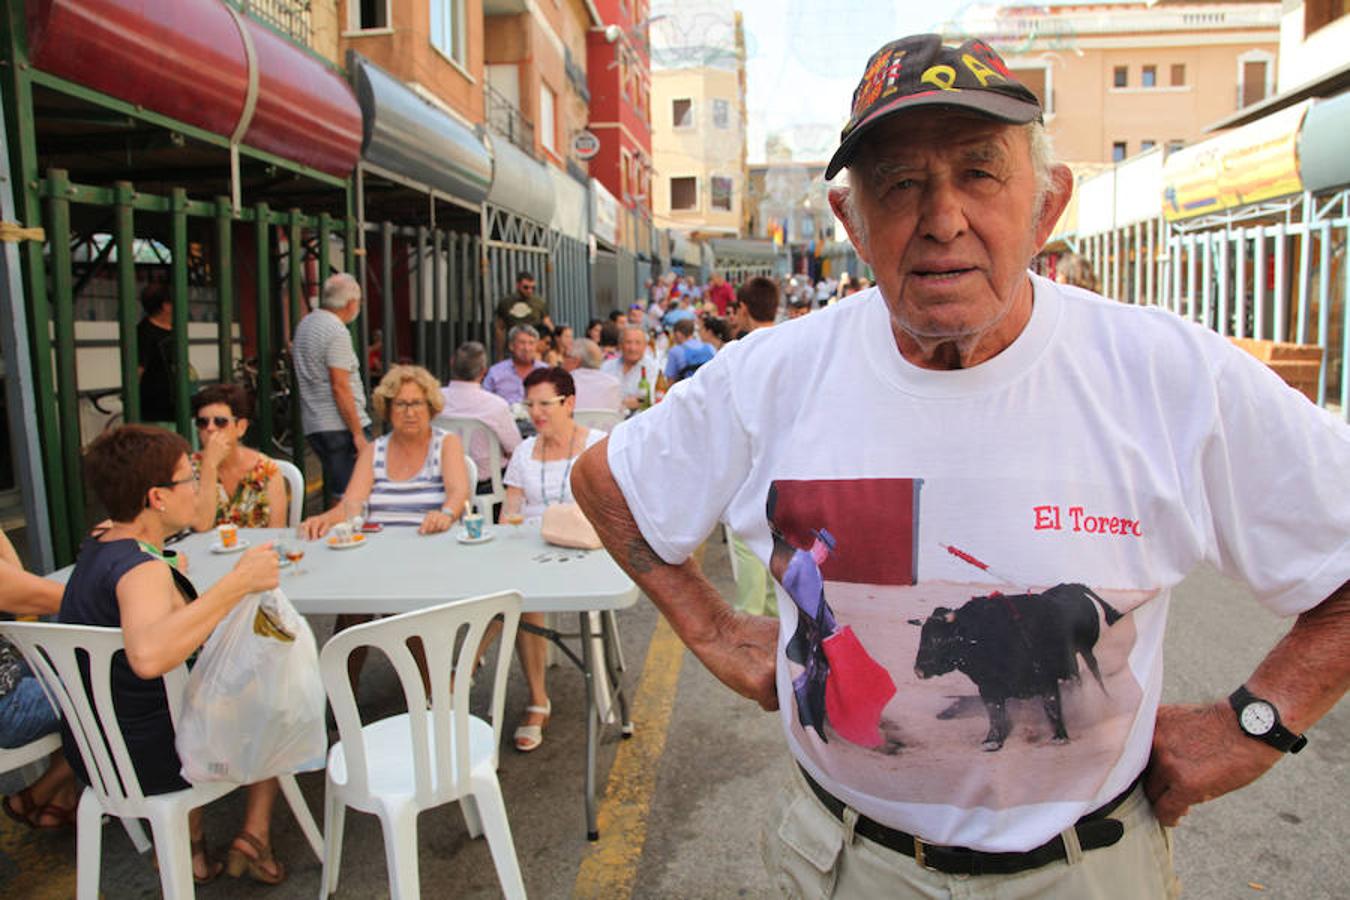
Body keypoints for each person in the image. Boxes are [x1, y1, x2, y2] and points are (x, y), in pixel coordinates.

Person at [572, 33, 1350, 898]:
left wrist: (1253, 726)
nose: (943, 218)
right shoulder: (772, 374)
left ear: (1048, 203)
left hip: (1087, 874)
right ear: (852, 222)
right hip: (843, 865)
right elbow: (609, 483)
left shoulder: (1171, 375)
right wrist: (713, 631)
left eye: (980, 172)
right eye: (901, 182)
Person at [61, 425, 286, 884]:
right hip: (155, 758)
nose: (196, 486)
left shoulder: (101, 543)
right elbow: (147, 656)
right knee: (279, 700)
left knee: (192, 693)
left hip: (94, 749)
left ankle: (190, 850)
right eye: (189, 477)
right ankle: (255, 837)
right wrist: (238, 583)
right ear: (157, 498)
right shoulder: (140, 571)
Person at [500, 368, 605, 752]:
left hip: (582, 553)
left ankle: (458, 675)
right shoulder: (525, 451)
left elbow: (612, 509)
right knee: (511, 598)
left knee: (515, 600)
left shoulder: (596, 445)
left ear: (570, 403)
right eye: (530, 405)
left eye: (546, 403)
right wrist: (510, 520)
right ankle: (536, 698)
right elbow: (510, 509)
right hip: (529, 551)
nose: (536, 412)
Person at [301, 365, 469, 538]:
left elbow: (458, 492)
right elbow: (351, 504)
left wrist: (446, 514)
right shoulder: (373, 451)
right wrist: (324, 519)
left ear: (430, 407)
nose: (409, 413)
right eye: (400, 404)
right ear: (388, 409)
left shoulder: (446, 443)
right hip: (377, 547)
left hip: (432, 542)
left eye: (417, 403)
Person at [0, 529, 80, 830]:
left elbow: (15, 581)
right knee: (114, 689)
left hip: (7, 672)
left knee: (62, 656)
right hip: (7, 707)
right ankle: (39, 792)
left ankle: (61, 798)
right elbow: (25, 593)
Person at [293, 273, 371, 502]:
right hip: (340, 426)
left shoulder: (306, 324)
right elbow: (340, 386)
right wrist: (357, 433)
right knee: (355, 494)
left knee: (341, 491)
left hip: (315, 423)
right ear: (351, 303)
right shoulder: (336, 331)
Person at [188, 383, 286, 531]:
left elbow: (277, 530)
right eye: (202, 422)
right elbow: (201, 526)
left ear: (241, 427)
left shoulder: (266, 470)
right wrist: (209, 465)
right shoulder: (187, 469)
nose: (210, 428)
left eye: (220, 422)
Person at [440, 342, 523, 496]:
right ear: (483, 371)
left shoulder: (435, 400)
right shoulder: (495, 405)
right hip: (487, 484)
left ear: (452, 362)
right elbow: (516, 450)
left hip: (442, 478)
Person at [137, 282, 177, 426]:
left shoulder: (174, 329)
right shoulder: (144, 332)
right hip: (156, 409)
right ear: (166, 306)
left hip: (176, 404)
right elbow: (138, 369)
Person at [482, 325, 547, 406]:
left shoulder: (545, 371)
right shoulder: (496, 372)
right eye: (522, 343)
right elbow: (483, 400)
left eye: (531, 343)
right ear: (511, 346)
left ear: (536, 346)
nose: (527, 348)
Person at [601, 324, 658, 413]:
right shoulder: (606, 367)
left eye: (638, 343)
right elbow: (601, 396)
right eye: (628, 342)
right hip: (610, 419)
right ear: (620, 345)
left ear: (645, 346)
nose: (633, 348)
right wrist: (625, 403)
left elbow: (650, 400)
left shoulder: (653, 368)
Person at [494, 272, 551, 358]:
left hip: (534, 347)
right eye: (526, 287)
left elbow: (548, 324)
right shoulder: (506, 303)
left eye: (533, 288)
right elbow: (500, 329)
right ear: (518, 285)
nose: (529, 290)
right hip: (514, 347)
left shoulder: (539, 303)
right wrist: (500, 353)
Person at [563, 338, 624, 413]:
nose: (563, 360)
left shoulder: (565, 383)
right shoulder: (613, 383)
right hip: (606, 424)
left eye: (566, 356)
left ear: (576, 361)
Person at [663, 318, 715, 384]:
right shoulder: (710, 347)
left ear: (678, 334)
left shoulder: (675, 351)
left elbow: (670, 380)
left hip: (687, 391)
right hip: (708, 387)